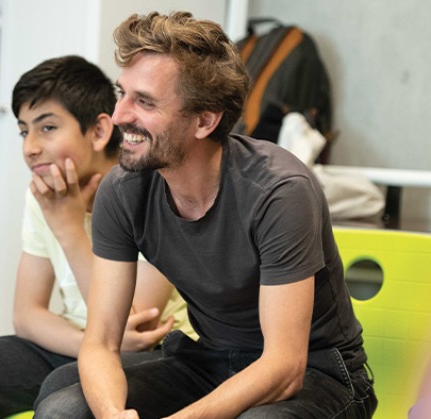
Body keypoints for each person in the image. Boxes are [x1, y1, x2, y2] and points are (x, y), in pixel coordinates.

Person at [33, 11, 378, 418]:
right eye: (121, 93)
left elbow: (285, 367)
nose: (120, 115)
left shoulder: (279, 191)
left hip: (321, 374)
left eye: (143, 101)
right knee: (66, 407)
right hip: (211, 360)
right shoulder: (123, 189)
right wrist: (113, 414)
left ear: (205, 120)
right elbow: (101, 343)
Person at [0, 55, 196, 418]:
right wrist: (84, 345)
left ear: (99, 131)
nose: (30, 147)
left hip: (152, 352)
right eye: (23, 130)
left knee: (61, 391)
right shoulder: (44, 193)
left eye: (47, 128)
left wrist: (68, 226)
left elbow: (130, 318)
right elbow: (27, 314)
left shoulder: (149, 190)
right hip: (76, 341)